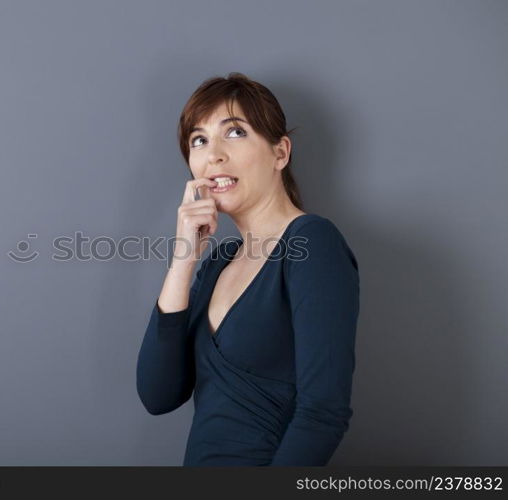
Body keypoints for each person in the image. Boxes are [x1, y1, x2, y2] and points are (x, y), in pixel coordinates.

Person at [135, 72, 360, 466]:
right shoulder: (217, 264)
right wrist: (184, 261)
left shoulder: (312, 243)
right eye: (198, 140)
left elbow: (324, 413)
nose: (213, 155)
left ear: (280, 153)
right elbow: (158, 395)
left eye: (234, 132)